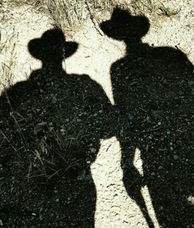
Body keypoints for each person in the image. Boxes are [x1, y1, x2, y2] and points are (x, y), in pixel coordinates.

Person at [100, 8, 194, 227]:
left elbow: (127, 121)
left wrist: (127, 164)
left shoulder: (121, 70)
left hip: (161, 158)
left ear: (119, 37)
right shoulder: (169, 55)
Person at [0, 28, 112, 227]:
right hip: (76, 183)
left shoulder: (18, 93)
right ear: (63, 54)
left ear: (40, 56)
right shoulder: (84, 86)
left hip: (32, 187)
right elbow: (109, 128)